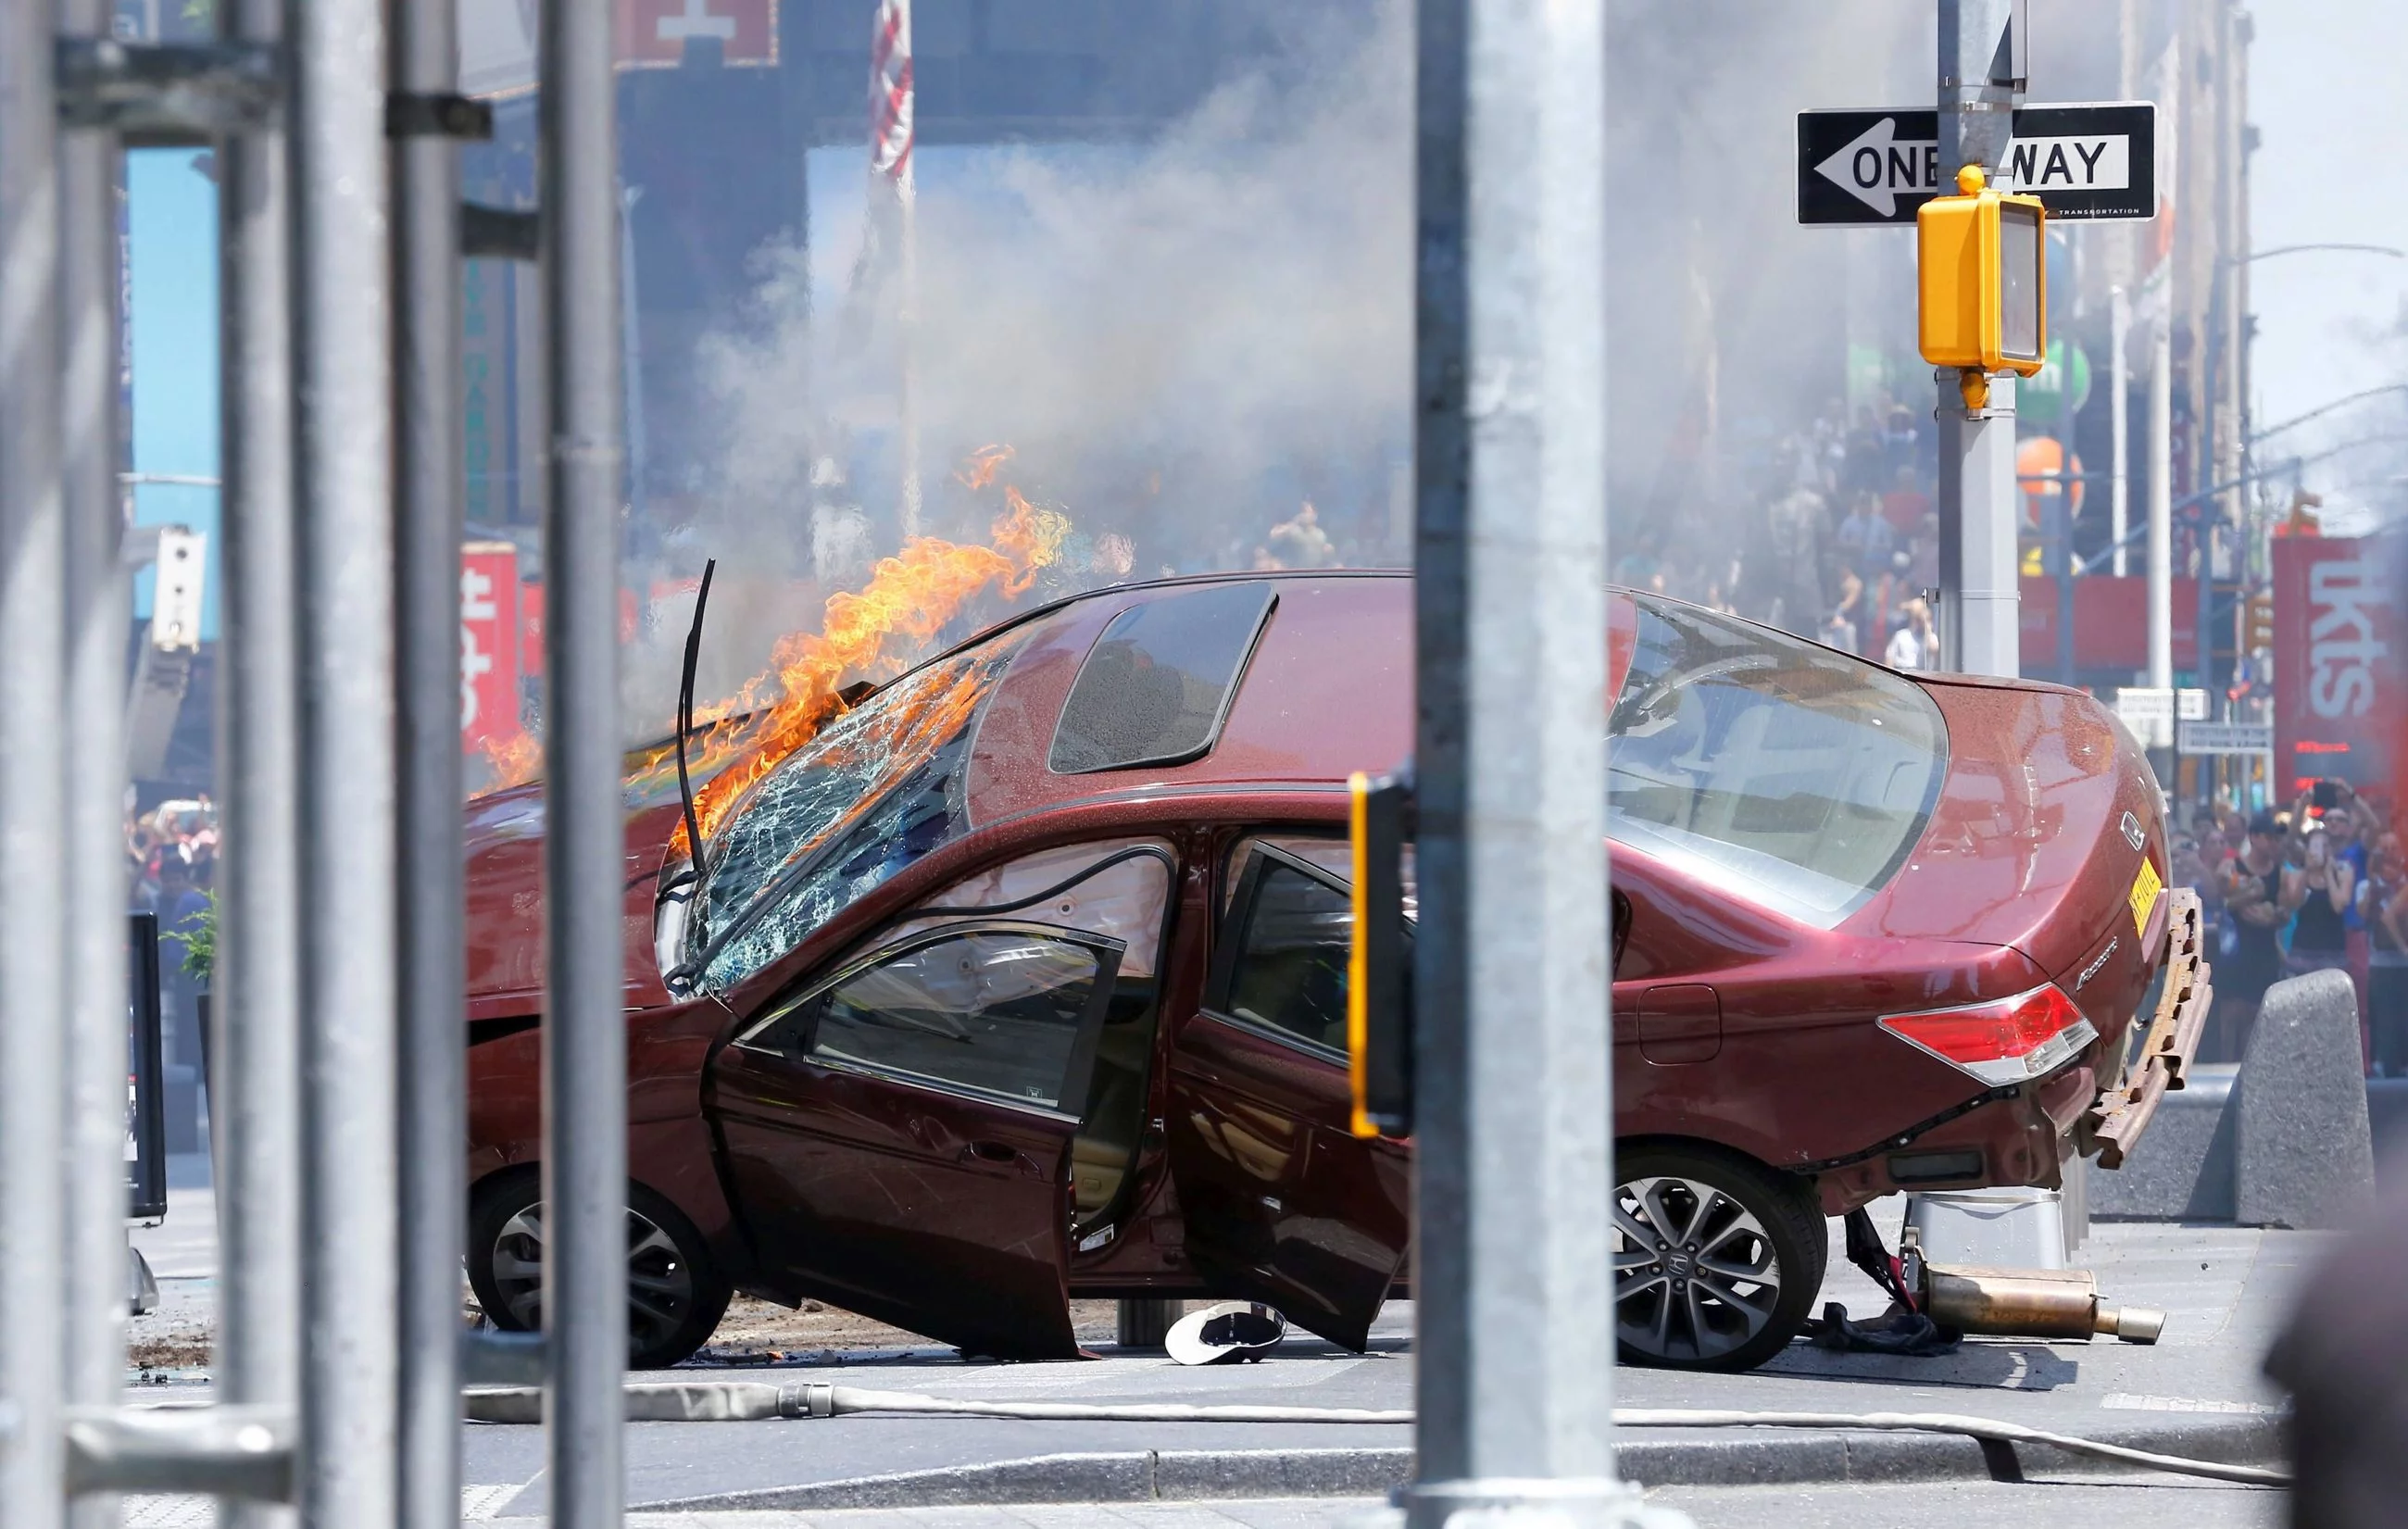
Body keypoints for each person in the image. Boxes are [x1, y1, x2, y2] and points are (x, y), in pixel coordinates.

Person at [2213, 811, 2289, 1063]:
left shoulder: (2279, 873)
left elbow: (2285, 912)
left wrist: (2274, 914)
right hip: (2236, 954)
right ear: (2254, 837)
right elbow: (2221, 900)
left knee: (2257, 1025)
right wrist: (2250, 895)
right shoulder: (2233, 867)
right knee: (2230, 1023)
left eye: (2275, 839)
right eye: (2268, 837)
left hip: (2265, 954)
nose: (2273, 844)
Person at [2281, 822, 2356, 983]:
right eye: (2315, 846)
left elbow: (2339, 906)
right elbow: (2295, 903)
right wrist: (2308, 870)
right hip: (2303, 952)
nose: (2320, 850)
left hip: (2333, 953)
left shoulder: (2343, 873)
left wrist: (2329, 874)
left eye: (2325, 846)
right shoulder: (2297, 875)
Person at [2365, 833, 2408, 1078]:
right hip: (2381, 960)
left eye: (2394, 848)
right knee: (2385, 1013)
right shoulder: (2372, 886)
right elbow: (2383, 916)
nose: (2390, 854)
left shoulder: (2403, 883)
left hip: (2402, 964)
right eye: (2385, 849)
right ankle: (2385, 1062)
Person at [1885, 597, 1934, 671]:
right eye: (1918, 618)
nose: (1921, 622)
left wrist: (1928, 629)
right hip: (1902, 673)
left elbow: (1934, 649)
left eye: (1924, 619)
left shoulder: (1930, 638)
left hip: (1921, 675)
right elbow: (1889, 658)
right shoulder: (1901, 636)